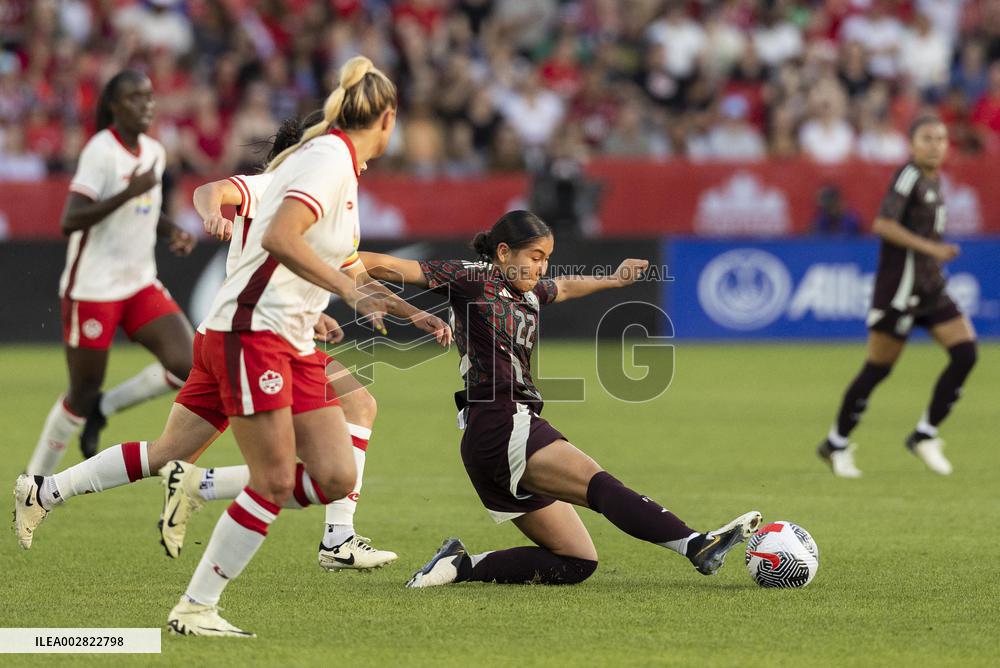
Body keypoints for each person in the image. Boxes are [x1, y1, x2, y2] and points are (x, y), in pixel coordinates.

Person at [13, 110, 447, 575]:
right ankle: (327, 537)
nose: (359, 158)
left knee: (165, 454)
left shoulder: (332, 200)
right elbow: (211, 191)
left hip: (234, 336)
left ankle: (44, 490)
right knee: (332, 428)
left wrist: (416, 313)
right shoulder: (277, 184)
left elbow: (355, 277)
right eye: (348, 145)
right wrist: (212, 214)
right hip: (254, 341)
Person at [358, 211, 761, 589]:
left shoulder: (528, 293)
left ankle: (462, 564)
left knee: (576, 561)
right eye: (535, 256)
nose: (542, 267)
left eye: (547, 258)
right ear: (503, 253)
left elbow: (564, 286)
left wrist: (615, 280)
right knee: (599, 485)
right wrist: (395, 302)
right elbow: (367, 260)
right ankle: (695, 544)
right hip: (502, 420)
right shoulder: (473, 277)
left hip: (491, 437)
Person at [24, 69, 197, 476]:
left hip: (138, 281)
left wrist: (172, 230)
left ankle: (108, 405)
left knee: (188, 365)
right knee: (80, 393)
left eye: (150, 97)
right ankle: (32, 483)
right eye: (136, 99)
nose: (146, 105)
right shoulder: (100, 152)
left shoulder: (155, 151)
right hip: (93, 288)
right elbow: (70, 220)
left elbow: (146, 209)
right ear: (115, 106)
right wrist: (127, 192)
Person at [817, 116, 977, 477]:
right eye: (927, 138)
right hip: (900, 292)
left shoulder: (935, 181)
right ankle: (836, 444)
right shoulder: (907, 177)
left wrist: (932, 258)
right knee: (878, 368)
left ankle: (925, 435)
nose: (936, 144)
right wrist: (931, 249)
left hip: (930, 288)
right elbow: (883, 224)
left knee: (965, 352)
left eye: (941, 138)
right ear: (912, 144)